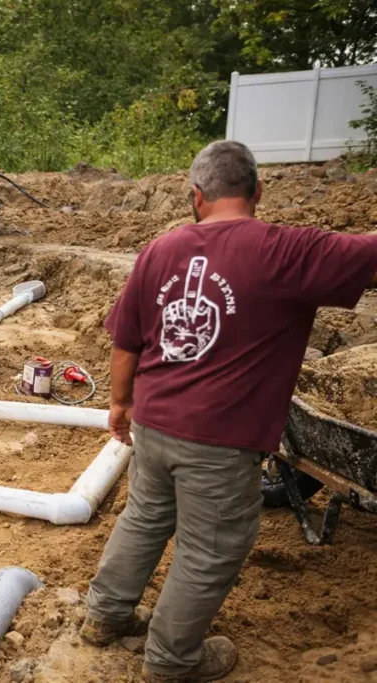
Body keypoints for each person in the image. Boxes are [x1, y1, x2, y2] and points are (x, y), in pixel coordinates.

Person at [80, 140, 377, 683]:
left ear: (196, 196)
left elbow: (126, 343)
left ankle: (104, 616)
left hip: (153, 420)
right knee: (210, 548)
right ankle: (171, 661)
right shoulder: (289, 251)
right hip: (218, 440)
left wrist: (121, 404)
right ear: (258, 191)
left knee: (145, 519)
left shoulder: (158, 250)